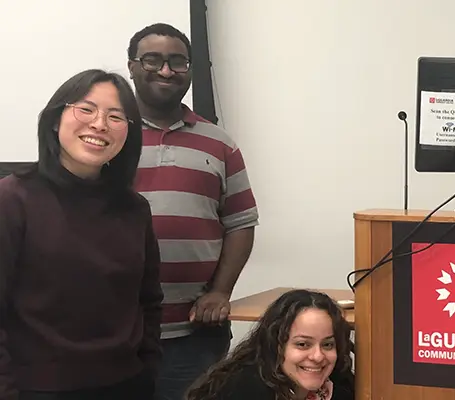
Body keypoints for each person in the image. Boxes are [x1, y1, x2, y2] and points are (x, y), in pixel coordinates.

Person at [0, 69, 163, 399]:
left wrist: (148, 367)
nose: (100, 124)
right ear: (56, 119)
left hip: (127, 385)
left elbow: (148, 300)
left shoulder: (134, 209)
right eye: (86, 109)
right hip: (37, 389)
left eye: (116, 116)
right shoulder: (12, 198)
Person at [127, 22, 261, 399]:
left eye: (177, 62)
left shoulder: (219, 143)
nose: (166, 71)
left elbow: (241, 222)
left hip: (194, 335)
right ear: (132, 66)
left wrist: (221, 291)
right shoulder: (110, 135)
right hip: (117, 332)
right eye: (153, 60)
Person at [184, 289, 355, 400]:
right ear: (276, 344)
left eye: (327, 345)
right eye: (303, 344)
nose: (318, 356)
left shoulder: (337, 385)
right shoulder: (245, 389)